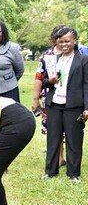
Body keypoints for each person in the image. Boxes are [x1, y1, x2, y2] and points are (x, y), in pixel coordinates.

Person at [41, 27, 88, 184]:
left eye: (67, 41)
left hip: (74, 105)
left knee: (74, 140)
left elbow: (87, 84)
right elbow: (45, 80)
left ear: (74, 41)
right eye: (61, 42)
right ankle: (50, 171)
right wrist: (51, 81)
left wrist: (87, 108)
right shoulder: (54, 58)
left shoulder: (83, 60)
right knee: (53, 139)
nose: (64, 44)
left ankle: (73, 173)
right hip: (54, 104)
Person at [32, 25, 66, 167]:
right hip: (50, 96)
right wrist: (35, 99)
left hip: (71, 96)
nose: (62, 41)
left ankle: (69, 157)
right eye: (58, 38)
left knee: (71, 128)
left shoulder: (77, 53)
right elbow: (39, 77)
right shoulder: (47, 55)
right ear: (53, 39)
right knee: (54, 128)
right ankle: (59, 157)